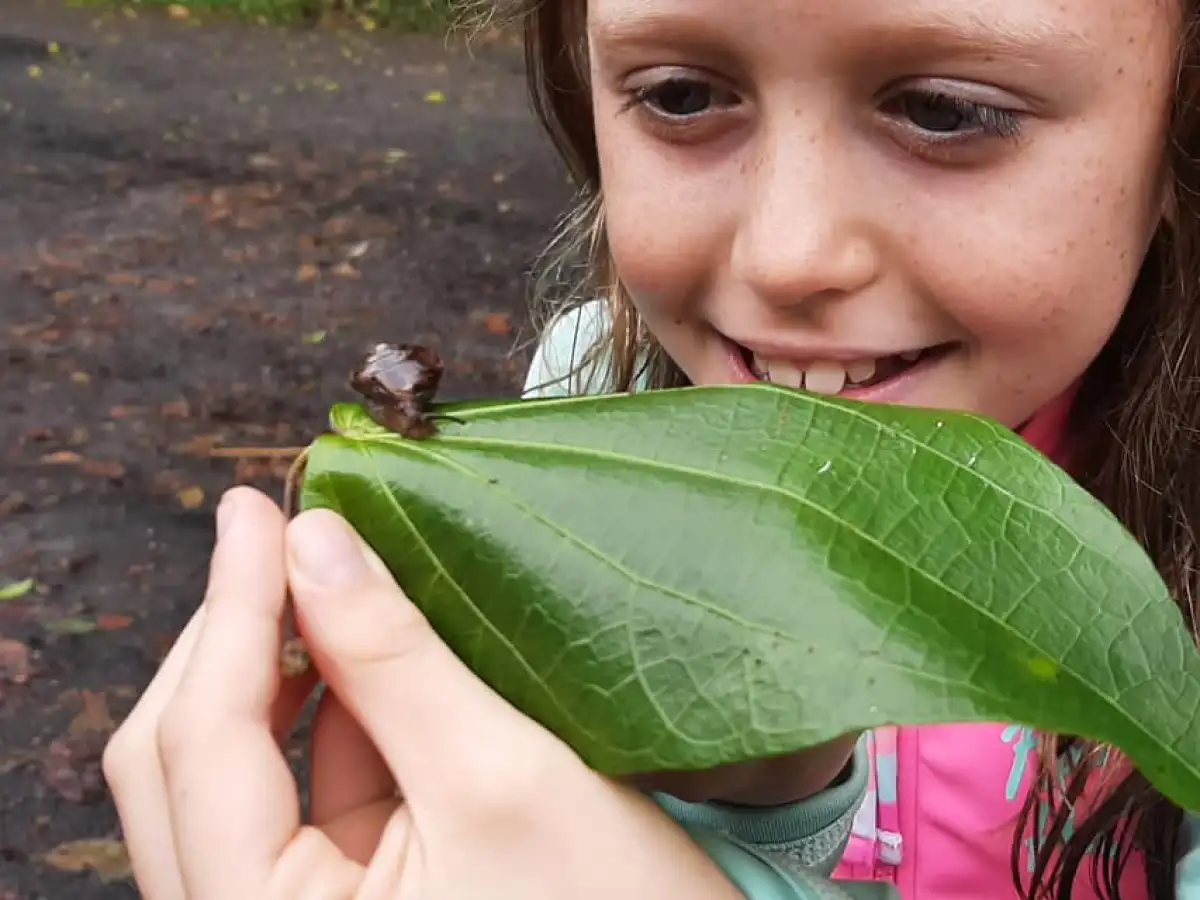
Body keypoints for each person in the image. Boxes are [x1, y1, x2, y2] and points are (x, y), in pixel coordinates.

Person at [102, 0, 1200, 897]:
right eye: (681, 95)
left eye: (948, 110)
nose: (786, 255)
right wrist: (746, 821)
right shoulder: (588, 392)